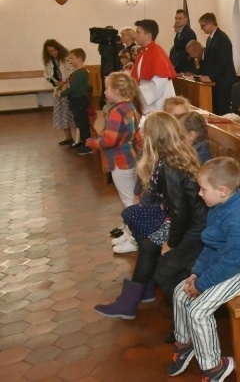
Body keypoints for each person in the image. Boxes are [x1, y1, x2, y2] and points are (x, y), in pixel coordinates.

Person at [95, 112, 207, 320]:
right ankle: (142, 290)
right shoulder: (177, 155)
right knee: (138, 225)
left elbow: (179, 212)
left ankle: (129, 302)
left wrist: (171, 243)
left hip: (194, 226)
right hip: (188, 218)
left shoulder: (170, 167)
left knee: (148, 244)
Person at [168, 157, 240, 381]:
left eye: (203, 189)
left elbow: (233, 262)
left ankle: (214, 367)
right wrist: (197, 272)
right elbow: (212, 245)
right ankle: (185, 344)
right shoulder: (219, 207)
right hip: (227, 263)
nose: (200, 194)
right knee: (180, 292)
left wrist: (202, 284)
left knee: (198, 311)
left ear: (222, 190)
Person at [86, 72, 143, 247]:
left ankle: (135, 239)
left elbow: (110, 140)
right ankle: (129, 231)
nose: (104, 92)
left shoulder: (117, 111)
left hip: (120, 160)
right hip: (131, 156)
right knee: (133, 197)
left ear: (117, 90)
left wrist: (93, 142)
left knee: (129, 202)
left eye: (107, 88)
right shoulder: (130, 107)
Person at [132, 19, 177, 113]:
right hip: (150, 105)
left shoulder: (155, 53)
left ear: (148, 36)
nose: (135, 35)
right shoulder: (146, 51)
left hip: (157, 106)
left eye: (138, 32)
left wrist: (137, 96)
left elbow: (157, 84)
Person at [197, 13, 236, 115]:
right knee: (215, 110)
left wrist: (211, 77)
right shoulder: (210, 39)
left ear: (210, 23)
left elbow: (223, 62)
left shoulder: (222, 39)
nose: (201, 28)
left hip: (223, 82)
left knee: (222, 111)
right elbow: (209, 60)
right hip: (216, 81)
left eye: (203, 25)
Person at [55, 48, 92, 156]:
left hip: (79, 100)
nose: (69, 60)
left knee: (83, 124)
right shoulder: (77, 72)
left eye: (72, 58)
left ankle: (87, 145)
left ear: (80, 59)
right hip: (75, 100)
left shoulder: (81, 73)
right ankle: (82, 142)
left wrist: (62, 93)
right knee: (79, 123)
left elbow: (74, 88)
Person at [42, 39, 76, 145]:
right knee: (62, 113)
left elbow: (73, 71)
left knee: (72, 112)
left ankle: (79, 138)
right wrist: (57, 83)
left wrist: (65, 82)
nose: (52, 53)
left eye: (54, 50)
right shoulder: (48, 61)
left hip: (69, 87)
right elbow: (47, 75)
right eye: (50, 52)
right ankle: (68, 137)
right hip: (58, 88)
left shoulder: (67, 58)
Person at [168, 9, 197, 74]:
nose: (177, 21)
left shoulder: (189, 33)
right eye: (176, 18)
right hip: (177, 68)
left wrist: (176, 67)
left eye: (180, 18)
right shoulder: (179, 33)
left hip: (185, 69)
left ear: (186, 19)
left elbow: (188, 53)